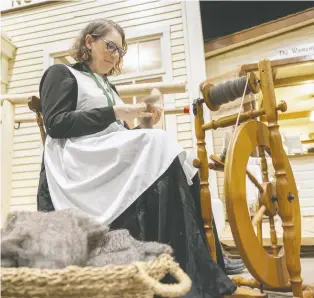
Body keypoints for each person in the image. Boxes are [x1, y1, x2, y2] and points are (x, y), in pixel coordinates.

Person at [37, 18, 238, 298]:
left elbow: (118, 132)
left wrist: (142, 124)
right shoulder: (61, 73)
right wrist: (118, 113)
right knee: (160, 144)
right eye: (110, 46)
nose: (115, 55)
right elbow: (56, 124)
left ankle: (205, 260)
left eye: (120, 51)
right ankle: (185, 265)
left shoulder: (107, 86)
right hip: (76, 161)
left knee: (179, 156)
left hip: (103, 154)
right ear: (88, 42)